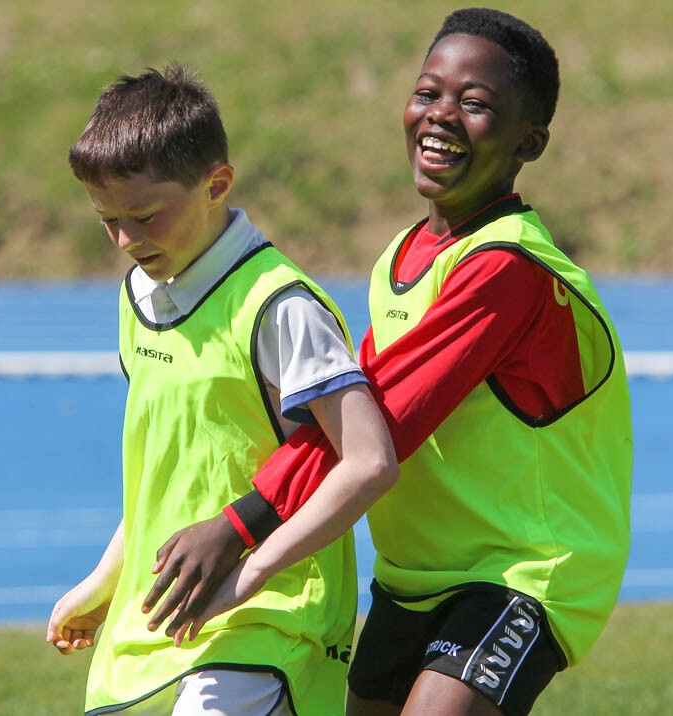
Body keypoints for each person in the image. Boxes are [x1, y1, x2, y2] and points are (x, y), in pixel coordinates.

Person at [145, 8, 633, 716]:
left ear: (529, 141)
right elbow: (354, 411)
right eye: (428, 92)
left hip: (519, 573)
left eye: (475, 104)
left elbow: (388, 422)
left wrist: (243, 523)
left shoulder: (509, 268)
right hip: (413, 575)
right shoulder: (401, 256)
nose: (441, 115)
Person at [45, 64, 398, 716]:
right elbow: (167, 474)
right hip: (169, 614)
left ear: (216, 185)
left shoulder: (280, 305)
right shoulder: (138, 297)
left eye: (145, 216)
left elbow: (369, 462)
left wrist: (254, 571)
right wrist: (105, 579)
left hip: (269, 619)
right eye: (107, 220)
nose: (125, 240)